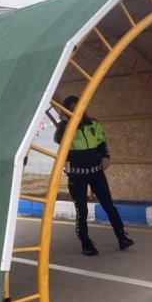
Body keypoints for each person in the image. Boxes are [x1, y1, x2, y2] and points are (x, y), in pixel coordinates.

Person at [54, 96, 134, 256]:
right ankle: (86, 243)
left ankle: (122, 237)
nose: (78, 110)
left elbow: (102, 142)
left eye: (79, 107)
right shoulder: (65, 128)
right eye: (73, 108)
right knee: (81, 210)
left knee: (109, 206)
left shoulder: (94, 124)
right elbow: (58, 139)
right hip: (77, 175)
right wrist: (65, 123)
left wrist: (105, 156)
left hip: (96, 172)